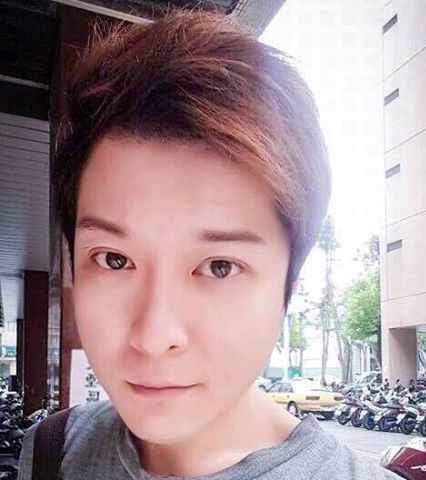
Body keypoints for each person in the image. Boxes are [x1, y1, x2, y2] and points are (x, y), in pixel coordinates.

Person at [18, 9, 400, 480]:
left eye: (220, 266)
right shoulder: (52, 451)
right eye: (114, 259)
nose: (154, 336)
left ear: (288, 283)